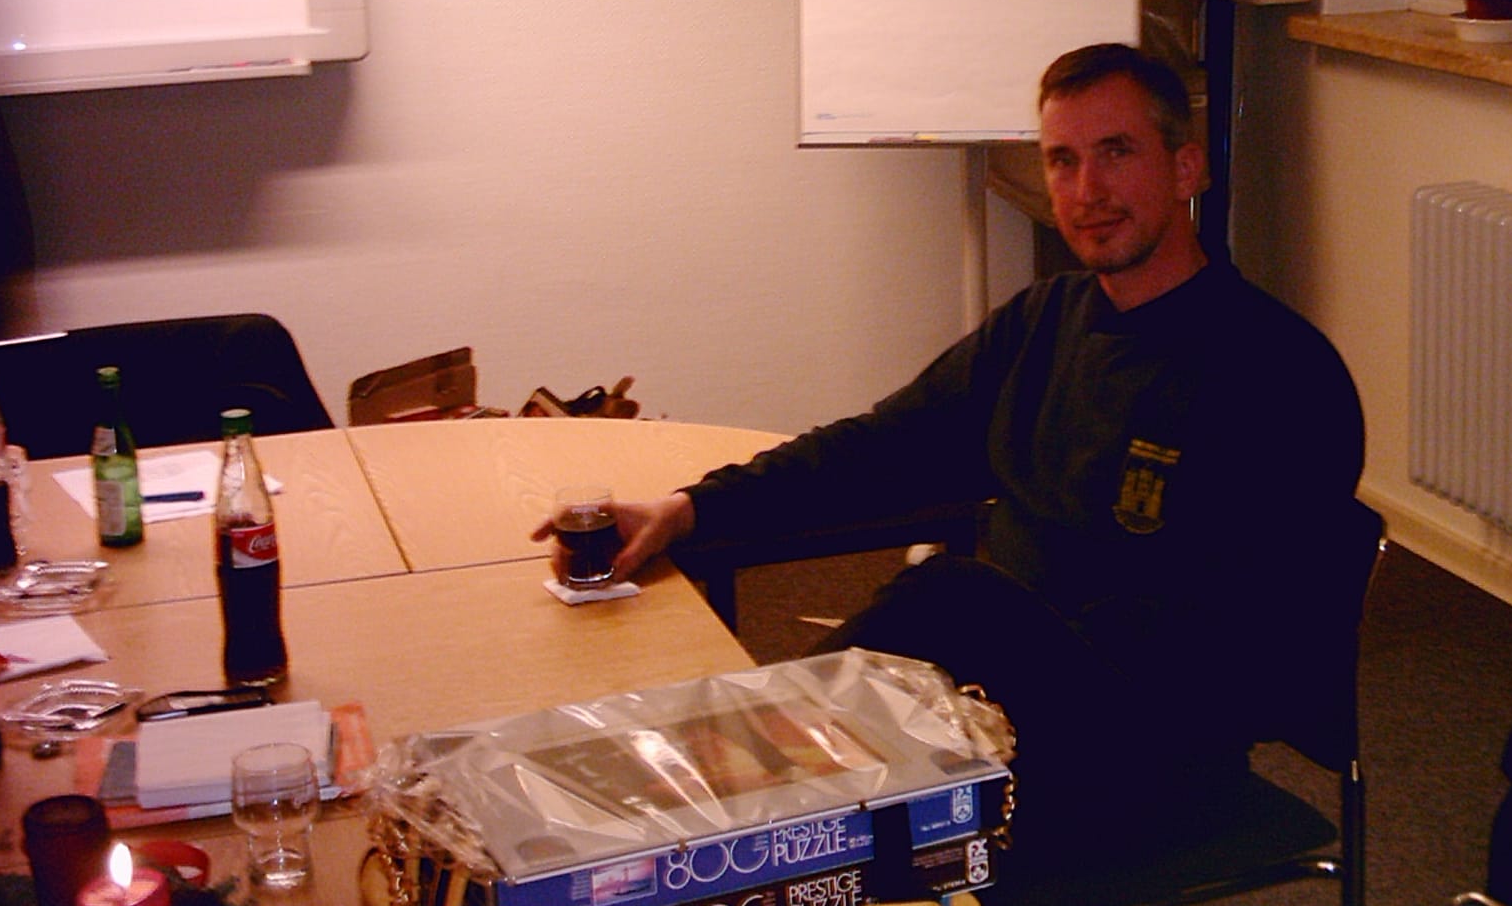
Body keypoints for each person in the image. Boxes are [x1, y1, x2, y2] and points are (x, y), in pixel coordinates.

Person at [537, 43, 1365, 860]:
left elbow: (1235, 641)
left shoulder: (1276, 372)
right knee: (907, 663)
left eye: (1117, 153)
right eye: (1063, 161)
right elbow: (881, 449)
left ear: (1186, 168)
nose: (1087, 191)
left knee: (950, 599)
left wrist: (963, 692)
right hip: (994, 700)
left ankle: (694, 795)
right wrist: (690, 509)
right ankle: (663, 807)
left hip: (1156, 745)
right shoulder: (1044, 324)